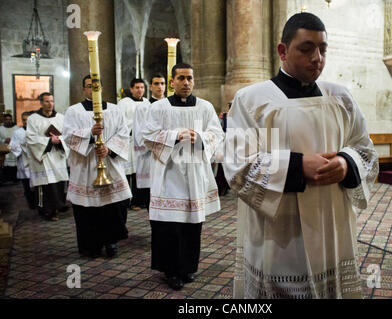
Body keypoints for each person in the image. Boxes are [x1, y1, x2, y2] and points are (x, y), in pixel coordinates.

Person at [223, 12, 378, 299]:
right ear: (283, 50)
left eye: (323, 49)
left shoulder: (341, 98)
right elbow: (238, 167)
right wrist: (296, 166)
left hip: (332, 224)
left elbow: (365, 150)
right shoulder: (253, 100)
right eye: (306, 49)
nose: (317, 57)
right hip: (280, 232)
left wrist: (346, 163)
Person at [142, 63, 224, 290]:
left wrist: (198, 137)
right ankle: (170, 270)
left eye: (189, 78)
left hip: (194, 172)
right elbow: (147, 136)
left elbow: (217, 134)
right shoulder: (159, 107)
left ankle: (187, 267)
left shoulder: (206, 107)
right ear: (172, 82)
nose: (186, 83)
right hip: (168, 173)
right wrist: (175, 135)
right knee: (170, 225)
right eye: (181, 78)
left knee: (191, 224)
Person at [62, 74, 131, 258]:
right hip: (85, 166)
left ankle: (111, 242)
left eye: (96, 85)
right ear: (83, 89)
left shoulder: (115, 110)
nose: (93, 89)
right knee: (87, 209)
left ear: (101, 88)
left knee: (114, 206)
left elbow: (124, 133)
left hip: (110, 163)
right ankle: (90, 245)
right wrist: (90, 134)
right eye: (88, 86)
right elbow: (68, 136)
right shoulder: (73, 111)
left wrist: (109, 149)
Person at [26, 93, 69, 221]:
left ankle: (58, 207)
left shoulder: (61, 118)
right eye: (46, 101)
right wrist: (50, 141)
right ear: (41, 103)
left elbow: (67, 135)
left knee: (58, 184)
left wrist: (59, 140)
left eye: (52, 101)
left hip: (57, 155)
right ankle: (47, 211)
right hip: (43, 157)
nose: (50, 104)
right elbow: (31, 139)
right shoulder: (33, 119)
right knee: (45, 186)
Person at [133, 74, 166, 211]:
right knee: (150, 197)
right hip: (149, 157)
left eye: (162, 83)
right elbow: (138, 133)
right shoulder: (142, 107)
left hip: (168, 158)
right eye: (156, 83)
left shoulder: (170, 106)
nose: (160, 87)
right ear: (150, 87)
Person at [117, 78, 149, 211]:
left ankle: (138, 200)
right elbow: (119, 121)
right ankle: (126, 200)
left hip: (142, 142)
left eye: (142, 87)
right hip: (128, 141)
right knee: (127, 172)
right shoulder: (123, 103)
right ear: (131, 89)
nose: (140, 90)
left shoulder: (147, 103)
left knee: (140, 171)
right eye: (137, 87)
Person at [9, 111, 35, 208]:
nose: (26, 122)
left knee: (37, 185)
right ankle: (31, 204)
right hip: (24, 162)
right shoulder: (17, 132)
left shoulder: (36, 131)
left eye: (28, 120)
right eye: (24, 120)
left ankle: (39, 203)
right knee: (27, 185)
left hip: (35, 161)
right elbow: (13, 146)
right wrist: (23, 146)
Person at [0, 113, 19, 183]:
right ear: (4, 120)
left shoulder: (16, 128)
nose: (8, 121)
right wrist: (4, 140)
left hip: (14, 149)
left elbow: (20, 138)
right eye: (7, 119)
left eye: (10, 119)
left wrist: (12, 140)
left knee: (14, 166)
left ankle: (15, 179)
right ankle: (5, 179)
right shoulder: (0, 128)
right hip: (4, 150)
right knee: (5, 166)